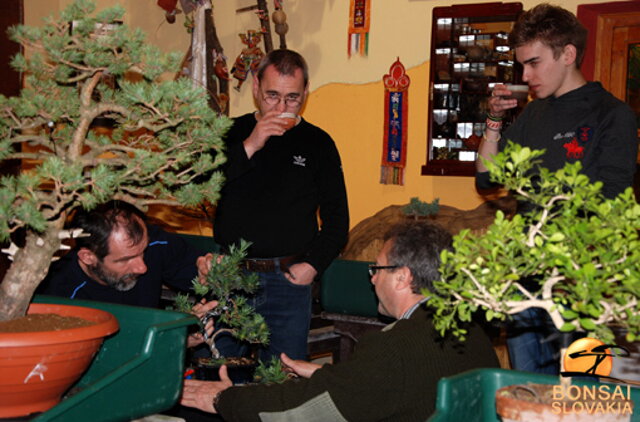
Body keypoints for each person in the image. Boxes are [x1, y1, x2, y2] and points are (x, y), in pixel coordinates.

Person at [181, 222, 499, 421]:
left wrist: (224, 398)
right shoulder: (471, 330)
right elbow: (387, 387)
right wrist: (328, 373)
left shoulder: (393, 346)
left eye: (378, 269)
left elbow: (303, 410)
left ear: (403, 277)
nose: (372, 279)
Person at [476, 4, 638, 374]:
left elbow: (613, 202)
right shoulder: (533, 114)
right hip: (525, 282)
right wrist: (494, 122)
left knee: (579, 396)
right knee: (529, 393)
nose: (525, 74)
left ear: (568, 54)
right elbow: (487, 179)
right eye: (521, 65)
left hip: (580, 285)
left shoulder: (612, 115)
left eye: (533, 63)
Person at [210, 49, 349, 361]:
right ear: (256, 88)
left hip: (288, 278)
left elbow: (338, 220)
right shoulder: (228, 133)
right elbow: (201, 188)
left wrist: (312, 266)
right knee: (221, 373)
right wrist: (250, 145)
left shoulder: (318, 143)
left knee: (283, 382)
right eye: (273, 96)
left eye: (292, 98)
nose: (282, 107)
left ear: (305, 94)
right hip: (230, 275)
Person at [42, 200, 212, 310]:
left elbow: (199, 269)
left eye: (143, 252)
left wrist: (208, 267)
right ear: (88, 257)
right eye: (126, 260)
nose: (142, 267)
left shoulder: (152, 243)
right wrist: (174, 340)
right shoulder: (63, 297)